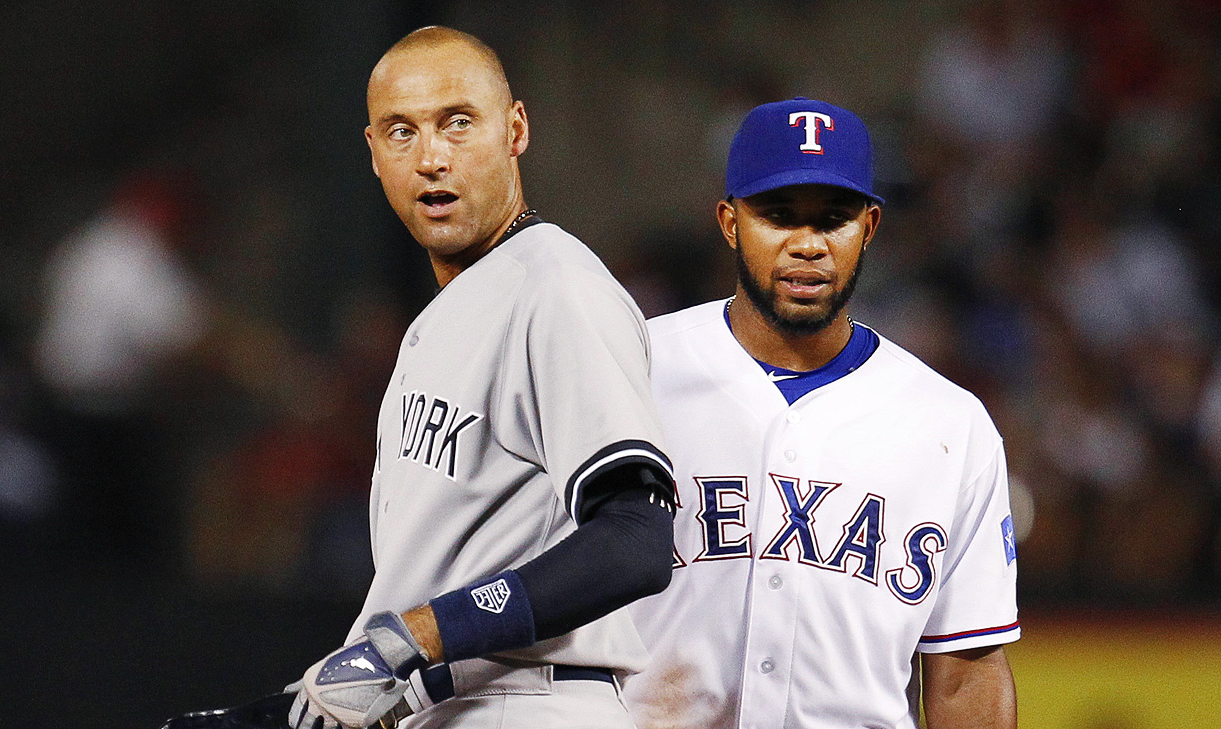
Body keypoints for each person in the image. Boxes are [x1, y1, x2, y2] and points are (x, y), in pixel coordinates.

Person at [287, 26, 677, 729]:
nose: (431, 157)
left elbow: (636, 539)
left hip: (532, 701)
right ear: (373, 154)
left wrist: (420, 635)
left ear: (515, 129)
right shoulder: (451, 314)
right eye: (401, 132)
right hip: (454, 704)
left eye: (457, 123)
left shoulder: (554, 284)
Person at [620, 98, 1019, 729]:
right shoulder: (631, 369)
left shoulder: (949, 423)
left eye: (833, 219)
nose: (807, 244)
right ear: (729, 222)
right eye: (778, 216)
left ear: (870, 226)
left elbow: (967, 673)